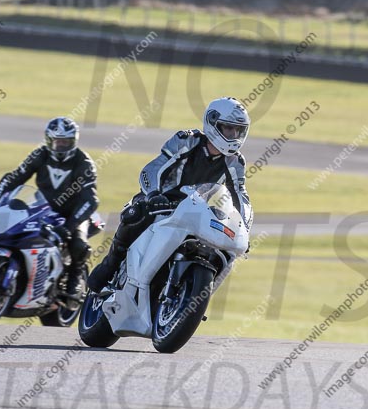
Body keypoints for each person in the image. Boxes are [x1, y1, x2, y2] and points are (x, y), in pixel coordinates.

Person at [88, 97, 252, 294]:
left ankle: (197, 296)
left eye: (238, 130)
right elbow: (152, 169)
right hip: (161, 201)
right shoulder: (187, 140)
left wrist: (245, 228)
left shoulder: (235, 161)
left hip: (195, 209)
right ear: (213, 123)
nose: (234, 135)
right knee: (135, 213)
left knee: (225, 249)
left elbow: (241, 196)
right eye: (228, 128)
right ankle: (111, 264)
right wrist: (154, 195)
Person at [0, 117, 98, 306]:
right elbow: (16, 177)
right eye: (57, 142)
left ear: (74, 141)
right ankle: (23, 274)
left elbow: (90, 199)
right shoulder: (39, 155)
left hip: (75, 213)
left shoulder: (84, 163)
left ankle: (74, 280)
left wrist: (70, 226)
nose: (61, 146)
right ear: (49, 141)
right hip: (43, 209)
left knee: (79, 244)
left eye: (66, 142)